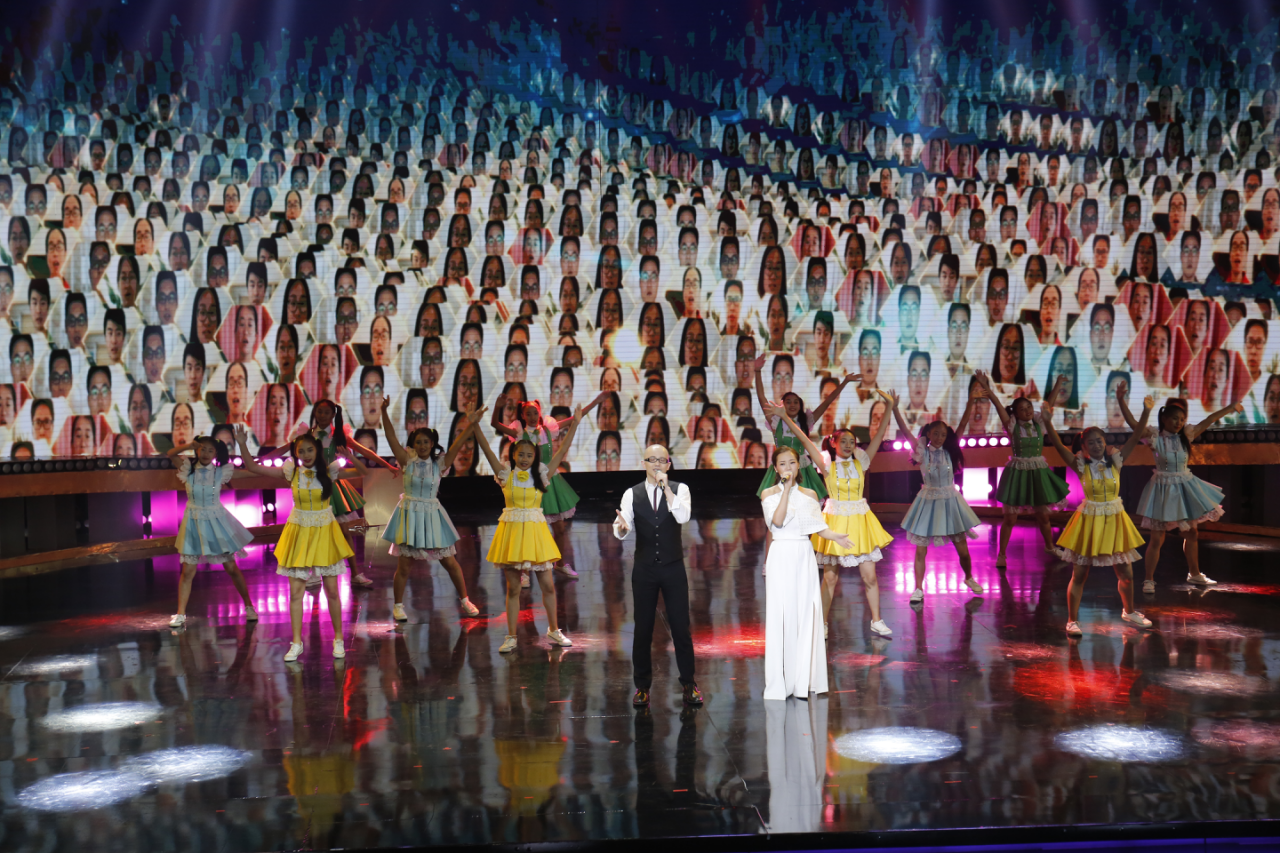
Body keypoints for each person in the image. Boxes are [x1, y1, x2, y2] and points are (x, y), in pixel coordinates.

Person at [235, 425, 363, 661]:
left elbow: (362, 471)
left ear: (317, 451)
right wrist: (243, 444)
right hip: (299, 531)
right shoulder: (292, 472)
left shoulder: (329, 471)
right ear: (295, 453)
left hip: (324, 530)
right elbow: (253, 467)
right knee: (296, 592)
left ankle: (338, 639)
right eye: (300, 451)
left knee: (332, 591)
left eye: (309, 450)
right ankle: (296, 643)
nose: (305, 454)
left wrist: (350, 456)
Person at [778, 393, 896, 638]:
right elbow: (804, 438)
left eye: (852, 441)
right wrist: (785, 418)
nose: (849, 445)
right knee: (830, 578)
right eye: (844, 440)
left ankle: (876, 620)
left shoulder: (861, 461)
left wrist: (890, 407)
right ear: (833, 443)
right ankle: (821, 623)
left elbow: (878, 435)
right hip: (835, 521)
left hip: (861, 522)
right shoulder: (826, 463)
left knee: (870, 577)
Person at [472, 406, 585, 653]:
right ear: (513, 455)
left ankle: (554, 630)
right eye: (520, 454)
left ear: (535, 457)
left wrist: (575, 423)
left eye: (529, 455)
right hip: (512, 535)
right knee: (514, 589)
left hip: (536, 535)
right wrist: (475, 425)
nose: (524, 458)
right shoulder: (505, 474)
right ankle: (511, 636)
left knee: (548, 586)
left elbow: (561, 451)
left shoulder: (542, 474)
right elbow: (487, 450)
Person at [1040, 398, 1153, 635]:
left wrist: (1146, 411)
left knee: (1127, 574)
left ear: (1105, 442)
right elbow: (1059, 446)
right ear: (1083, 447)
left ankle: (1129, 611)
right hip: (1090, 520)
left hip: (1115, 520)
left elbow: (1136, 436)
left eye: (1099, 441)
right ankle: (1072, 620)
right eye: (1090, 442)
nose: (1096, 445)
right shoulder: (1081, 465)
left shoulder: (1116, 461)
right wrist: (1048, 423)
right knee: (1079, 574)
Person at [1117, 386, 1240, 592]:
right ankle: (1149, 580)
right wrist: (1121, 400)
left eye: (1182, 419)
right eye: (1175, 418)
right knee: (1157, 538)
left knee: (1191, 532)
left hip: (1185, 487)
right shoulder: (1155, 436)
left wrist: (1230, 408)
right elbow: (1133, 424)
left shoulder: (1186, 435)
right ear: (1164, 419)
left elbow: (1209, 420)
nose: (1179, 423)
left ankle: (1194, 574)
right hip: (1163, 488)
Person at [760, 446, 855, 701]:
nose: (788, 468)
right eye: (782, 464)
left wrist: (835, 536)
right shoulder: (768, 494)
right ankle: (782, 681)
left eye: (792, 463)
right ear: (775, 468)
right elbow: (777, 522)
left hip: (804, 554)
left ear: (798, 465)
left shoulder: (810, 494)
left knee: (805, 613)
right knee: (782, 614)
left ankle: (805, 679)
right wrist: (786, 491)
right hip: (781, 554)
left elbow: (817, 526)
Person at [612, 444, 702, 708]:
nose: (657, 464)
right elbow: (622, 526)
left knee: (681, 628)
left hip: (673, 567)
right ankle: (642, 687)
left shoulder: (680, 489)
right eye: (652, 460)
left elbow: (683, 517)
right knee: (642, 629)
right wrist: (622, 528)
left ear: (668, 464)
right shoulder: (632, 493)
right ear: (643, 464)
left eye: (662, 460)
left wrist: (667, 490)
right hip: (645, 569)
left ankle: (689, 683)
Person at [379, 397, 483, 621]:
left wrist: (472, 422)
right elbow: (390, 437)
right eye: (419, 442)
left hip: (432, 515)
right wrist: (384, 412)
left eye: (426, 442)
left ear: (432, 443)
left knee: (450, 562)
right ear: (413, 444)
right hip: (409, 515)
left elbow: (458, 442)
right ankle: (398, 606)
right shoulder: (407, 460)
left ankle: (465, 600)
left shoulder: (439, 464)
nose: (423, 445)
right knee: (404, 566)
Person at [491, 393, 604, 581]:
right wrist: (498, 406)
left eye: (535, 413)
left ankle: (560, 564)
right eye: (528, 413)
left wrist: (595, 402)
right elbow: (495, 424)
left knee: (559, 530)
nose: (532, 417)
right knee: (528, 530)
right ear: (523, 415)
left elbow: (575, 418)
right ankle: (524, 572)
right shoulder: (518, 432)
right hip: (529, 484)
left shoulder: (548, 430)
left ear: (540, 413)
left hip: (549, 482)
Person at [891, 398, 984, 603]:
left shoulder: (950, 451)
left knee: (964, 551)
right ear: (928, 434)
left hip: (951, 502)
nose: (940, 437)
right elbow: (905, 431)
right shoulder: (922, 452)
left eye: (943, 434)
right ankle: (918, 588)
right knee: (920, 550)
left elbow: (963, 423)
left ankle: (969, 577)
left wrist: (970, 401)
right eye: (936, 434)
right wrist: (896, 409)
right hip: (928, 502)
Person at [975, 371, 1070, 566]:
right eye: (1022, 409)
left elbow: (1049, 404)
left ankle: (1050, 546)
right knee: (1010, 518)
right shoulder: (1012, 426)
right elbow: (998, 405)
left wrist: (1059, 383)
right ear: (1016, 413)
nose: (1027, 411)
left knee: (1043, 515)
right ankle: (1002, 554)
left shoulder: (1039, 424)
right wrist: (986, 386)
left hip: (1037, 472)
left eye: (1029, 407)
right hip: (1018, 473)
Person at [165, 435, 258, 627]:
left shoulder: (221, 472)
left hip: (217, 522)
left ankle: (249, 606)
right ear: (197, 450)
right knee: (188, 571)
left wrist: (243, 445)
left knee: (231, 567)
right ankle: (180, 614)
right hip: (193, 522)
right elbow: (171, 453)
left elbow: (253, 472)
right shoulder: (188, 469)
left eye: (210, 450)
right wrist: (189, 444)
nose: (206, 453)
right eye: (202, 449)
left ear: (216, 453)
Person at [751, 354, 854, 499]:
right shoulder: (776, 421)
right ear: (781, 405)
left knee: (805, 503)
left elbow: (827, 402)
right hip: (781, 468)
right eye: (788, 402)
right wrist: (757, 371)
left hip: (803, 470)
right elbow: (761, 397)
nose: (792, 405)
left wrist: (845, 382)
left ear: (800, 405)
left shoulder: (805, 422)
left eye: (796, 402)